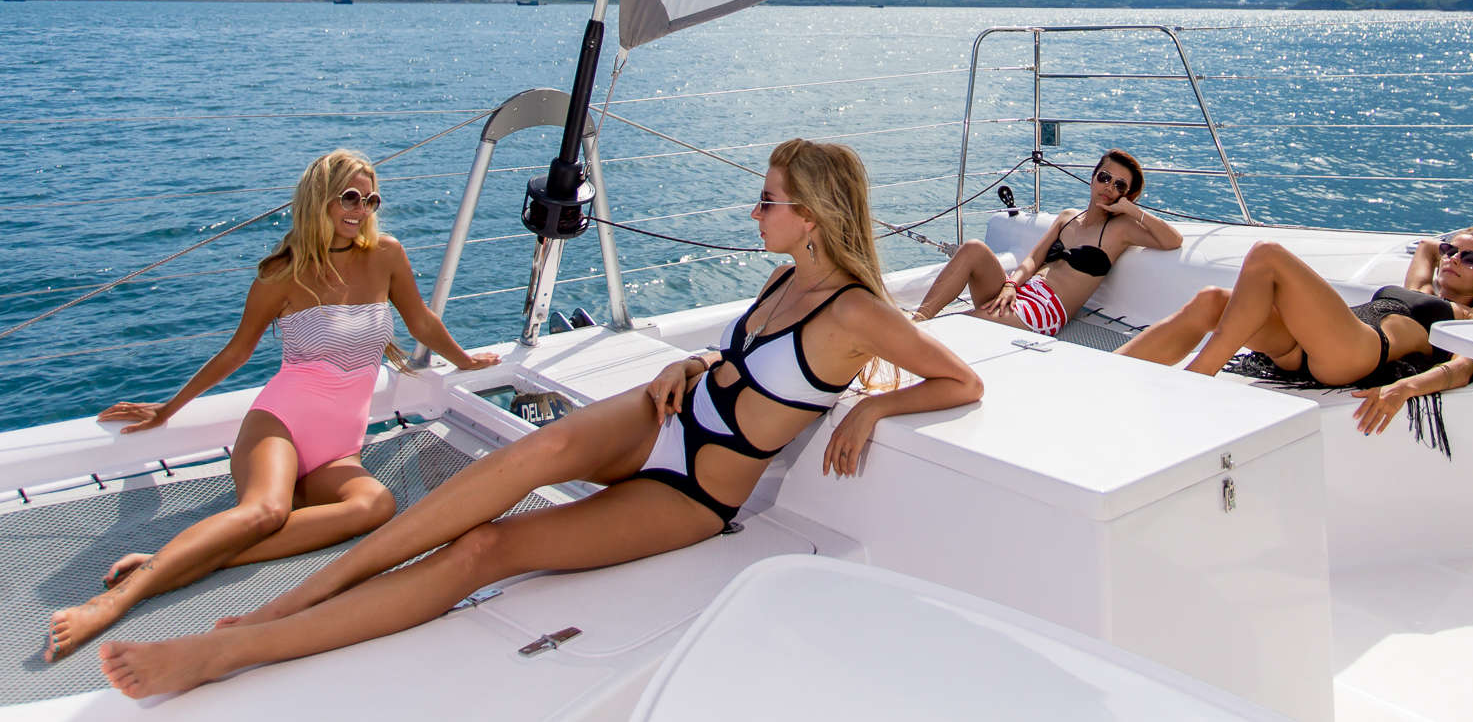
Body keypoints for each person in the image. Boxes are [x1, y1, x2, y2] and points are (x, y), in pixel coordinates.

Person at [98, 138, 983, 700]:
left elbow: (959, 380)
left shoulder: (859, 309)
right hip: (660, 414)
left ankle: (230, 654)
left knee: (487, 548)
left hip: (696, 484)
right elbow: (753, 360)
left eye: (768, 199)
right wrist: (697, 361)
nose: (754, 210)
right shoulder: (785, 275)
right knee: (533, 453)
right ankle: (298, 595)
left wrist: (882, 407)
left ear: (813, 215)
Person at [45, 149, 499, 662]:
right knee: (265, 510)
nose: (360, 209)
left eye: (369, 199)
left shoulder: (387, 255)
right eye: (348, 197)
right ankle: (114, 600)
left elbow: (420, 322)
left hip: (338, 448)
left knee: (375, 505)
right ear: (319, 199)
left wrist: (463, 361)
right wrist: (167, 409)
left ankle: (184, 560)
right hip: (280, 423)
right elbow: (236, 352)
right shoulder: (281, 274)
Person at [1114, 225, 1473, 445]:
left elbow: (1462, 367)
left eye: (1470, 258)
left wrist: (1404, 388)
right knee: (1212, 300)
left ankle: (1196, 380)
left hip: (1358, 350)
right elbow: (1427, 247)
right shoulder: (1420, 289)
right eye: (1452, 250)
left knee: (1268, 256)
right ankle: (1109, 373)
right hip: (1314, 343)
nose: (1452, 258)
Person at [911, 150, 1181, 336]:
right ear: (1093, 177)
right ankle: (917, 322)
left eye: (1120, 185)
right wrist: (1010, 285)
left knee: (959, 325)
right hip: (1020, 291)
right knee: (972, 249)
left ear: (1126, 195)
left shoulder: (1121, 229)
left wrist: (1132, 210)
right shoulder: (1067, 217)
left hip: (1044, 309)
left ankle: (909, 343)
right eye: (1105, 177)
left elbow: (1172, 240)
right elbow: (1032, 260)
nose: (1109, 187)